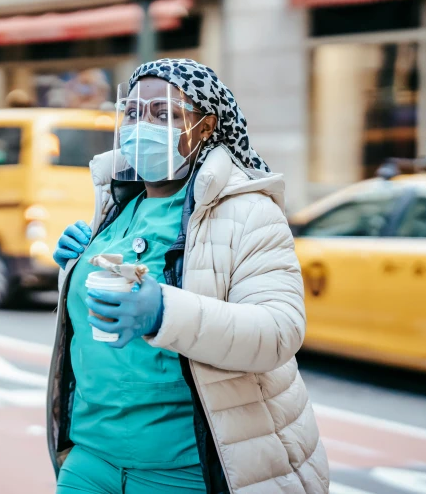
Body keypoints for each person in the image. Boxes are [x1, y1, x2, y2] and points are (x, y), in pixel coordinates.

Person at [47, 59, 329, 494]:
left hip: (183, 471)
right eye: (134, 113)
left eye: (164, 114)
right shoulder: (118, 207)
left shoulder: (249, 213)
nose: (142, 126)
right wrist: (74, 267)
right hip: (90, 459)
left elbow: (279, 331)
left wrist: (163, 312)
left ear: (205, 127)